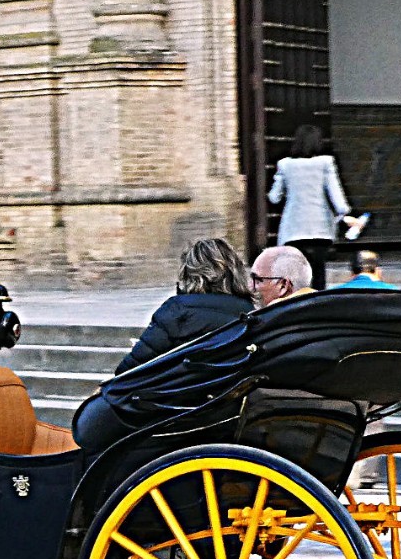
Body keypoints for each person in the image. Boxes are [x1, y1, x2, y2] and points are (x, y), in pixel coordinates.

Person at [112, 238, 255, 374]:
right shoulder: (249, 312)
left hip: (178, 395)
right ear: (235, 272)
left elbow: (128, 370)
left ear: (188, 273)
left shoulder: (176, 311)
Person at [267, 125, 356, 291]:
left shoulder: (285, 165)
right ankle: (318, 304)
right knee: (319, 271)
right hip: (320, 228)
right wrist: (344, 214)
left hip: (294, 228)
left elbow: (274, 197)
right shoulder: (326, 163)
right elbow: (337, 197)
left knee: (297, 273)